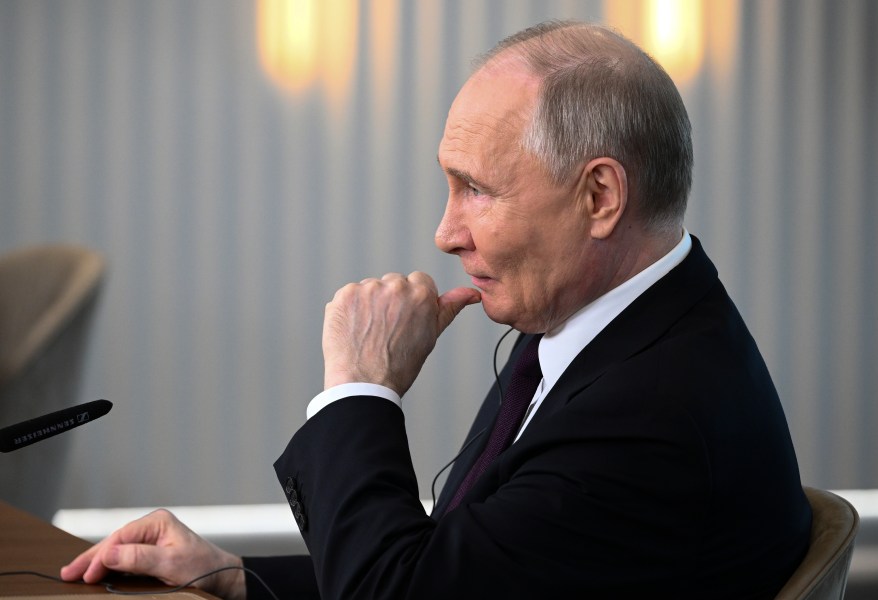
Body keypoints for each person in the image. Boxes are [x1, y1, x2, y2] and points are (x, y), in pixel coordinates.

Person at [61, 20, 811, 599]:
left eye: (476, 189)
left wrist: (360, 388)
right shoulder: (606, 326)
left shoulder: (650, 418)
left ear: (599, 197)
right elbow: (462, 574)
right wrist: (230, 574)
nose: (445, 232)